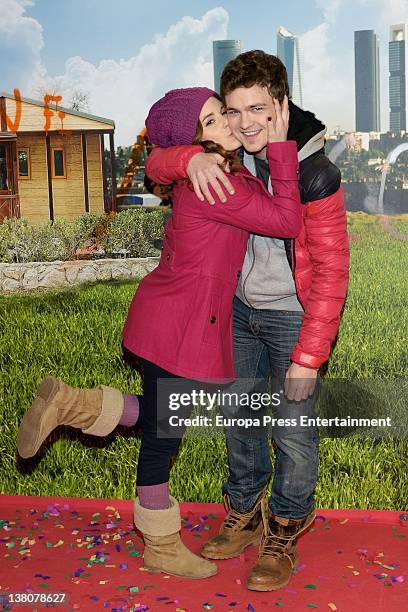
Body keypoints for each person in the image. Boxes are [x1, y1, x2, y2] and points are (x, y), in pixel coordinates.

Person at [17, 86, 302, 580]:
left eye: (223, 114)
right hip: (181, 328)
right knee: (162, 435)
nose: (229, 124)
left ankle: (73, 404)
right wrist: (280, 148)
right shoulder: (219, 184)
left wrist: (185, 156)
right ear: (194, 139)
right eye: (211, 121)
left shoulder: (209, 173)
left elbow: (158, 162)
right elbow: (287, 220)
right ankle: (160, 544)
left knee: (156, 415)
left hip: (163, 318)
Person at [144, 51, 350, 592]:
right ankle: (245, 512)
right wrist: (185, 160)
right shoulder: (228, 151)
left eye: (258, 109)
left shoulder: (316, 173)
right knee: (241, 422)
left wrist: (309, 356)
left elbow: (331, 272)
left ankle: (285, 523)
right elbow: (156, 160)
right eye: (232, 111)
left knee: (294, 432)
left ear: (282, 104)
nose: (245, 123)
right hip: (236, 312)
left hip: (290, 319)